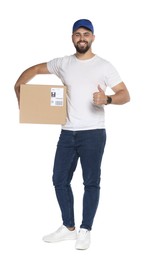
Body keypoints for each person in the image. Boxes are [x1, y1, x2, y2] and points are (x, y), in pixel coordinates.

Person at [14, 19, 130, 250]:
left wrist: (107, 99)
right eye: (77, 34)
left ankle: (85, 229)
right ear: (72, 38)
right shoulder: (63, 63)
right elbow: (36, 69)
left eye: (86, 34)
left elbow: (125, 94)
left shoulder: (104, 66)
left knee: (91, 182)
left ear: (93, 38)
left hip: (93, 133)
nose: (82, 38)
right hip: (67, 133)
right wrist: (18, 86)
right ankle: (69, 228)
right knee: (59, 179)